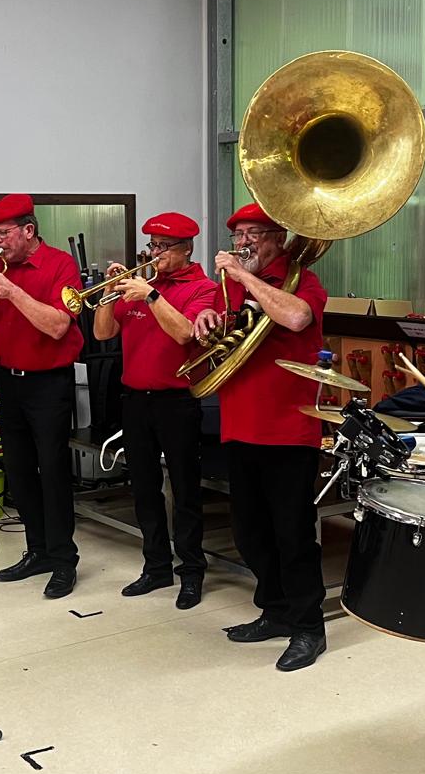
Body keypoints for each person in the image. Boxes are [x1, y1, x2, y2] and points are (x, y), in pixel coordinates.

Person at [193, 203, 329, 671]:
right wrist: (207, 319)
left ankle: (309, 627)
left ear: (277, 238)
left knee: (293, 535)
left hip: (289, 429)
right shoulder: (230, 284)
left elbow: (296, 319)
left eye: (254, 233)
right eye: (238, 235)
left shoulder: (301, 279)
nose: (243, 242)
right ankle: (275, 611)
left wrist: (242, 277)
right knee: (250, 533)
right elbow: (223, 327)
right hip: (240, 423)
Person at [0, 193, 84, 598]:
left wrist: (12, 292)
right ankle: (38, 551)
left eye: (3, 233)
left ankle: (64, 559)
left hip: (49, 383)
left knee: (52, 472)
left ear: (28, 230)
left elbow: (58, 326)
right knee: (19, 472)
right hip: (9, 382)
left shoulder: (60, 265)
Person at [93, 212, 216, 609]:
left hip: (177, 402)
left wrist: (150, 295)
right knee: (144, 488)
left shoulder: (203, 288)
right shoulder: (142, 286)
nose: (155, 253)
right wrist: (109, 292)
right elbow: (103, 332)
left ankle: (192, 572)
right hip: (134, 399)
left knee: (185, 491)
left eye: (164, 247)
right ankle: (156, 566)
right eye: (152, 246)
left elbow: (184, 333)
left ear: (186, 249)